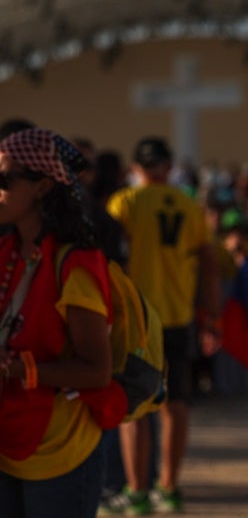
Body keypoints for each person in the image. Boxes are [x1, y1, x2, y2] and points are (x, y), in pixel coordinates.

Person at [0, 128, 119, 517]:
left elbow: (97, 371)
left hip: (59, 452)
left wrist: (21, 369)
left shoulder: (74, 264)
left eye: (3, 180)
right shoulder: (8, 251)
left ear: (41, 186)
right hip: (8, 440)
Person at [103, 136, 221, 514]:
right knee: (177, 403)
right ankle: (168, 486)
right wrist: (211, 316)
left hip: (136, 319)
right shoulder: (189, 206)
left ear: (136, 169)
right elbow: (209, 265)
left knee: (134, 406)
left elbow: (110, 258)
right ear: (168, 167)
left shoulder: (125, 202)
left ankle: (137, 491)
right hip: (177, 315)